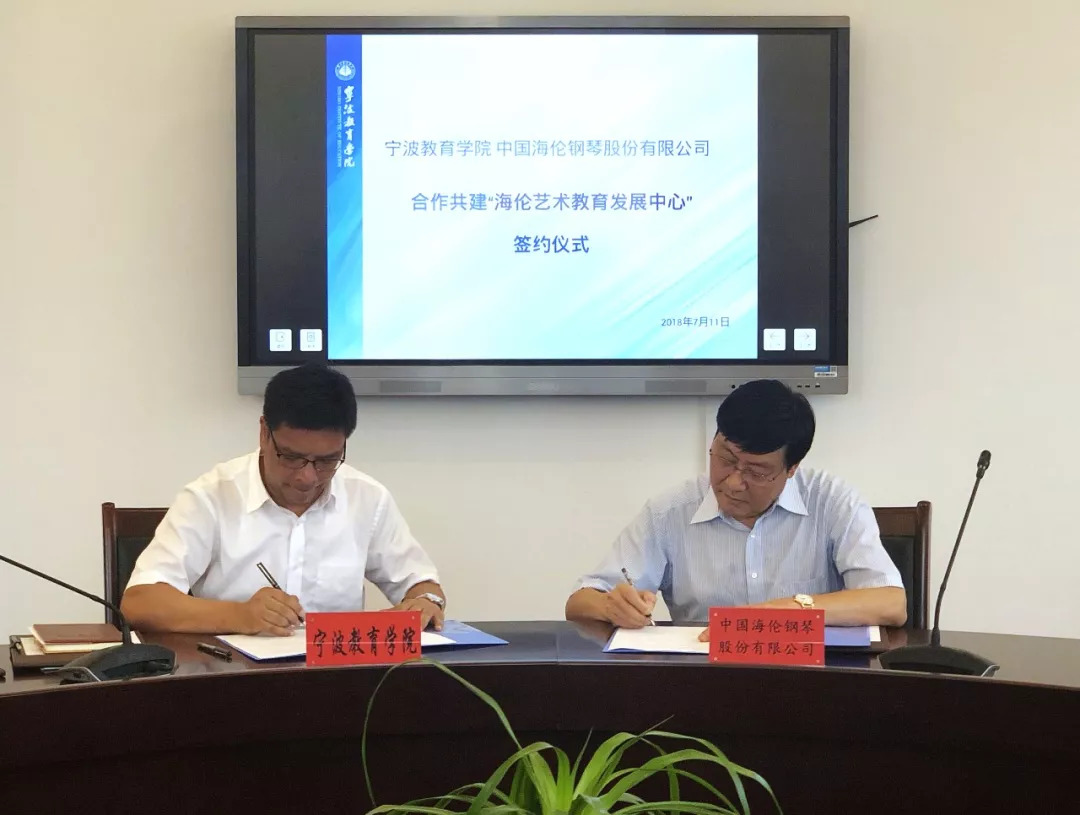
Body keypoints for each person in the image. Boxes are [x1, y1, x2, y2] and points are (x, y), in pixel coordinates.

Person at [121, 363, 445, 635]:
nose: (308, 477)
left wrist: (426, 602)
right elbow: (141, 601)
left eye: (327, 460)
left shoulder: (367, 499)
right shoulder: (211, 497)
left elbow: (422, 586)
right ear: (264, 433)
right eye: (291, 457)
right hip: (234, 678)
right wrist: (240, 616)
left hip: (336, 680)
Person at [565, 379, 906, 636]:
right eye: (725, 459)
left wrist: (782, 611)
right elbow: (579, 603)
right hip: (705, 682)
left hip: (809, 681)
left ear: (791, 468)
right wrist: (611, 606)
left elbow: (891, 603)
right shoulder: (670, 511)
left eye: (756, 472)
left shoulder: (833, 502)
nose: (732, 482)